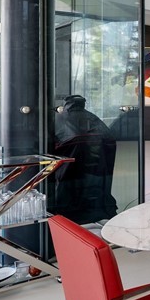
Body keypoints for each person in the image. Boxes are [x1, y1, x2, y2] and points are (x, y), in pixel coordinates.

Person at [51, 95, 118, 224]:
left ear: (66, 105)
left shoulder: (60, 119)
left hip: (67, 176)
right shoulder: (93, 118)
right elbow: (110, 140)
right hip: (96, 172)